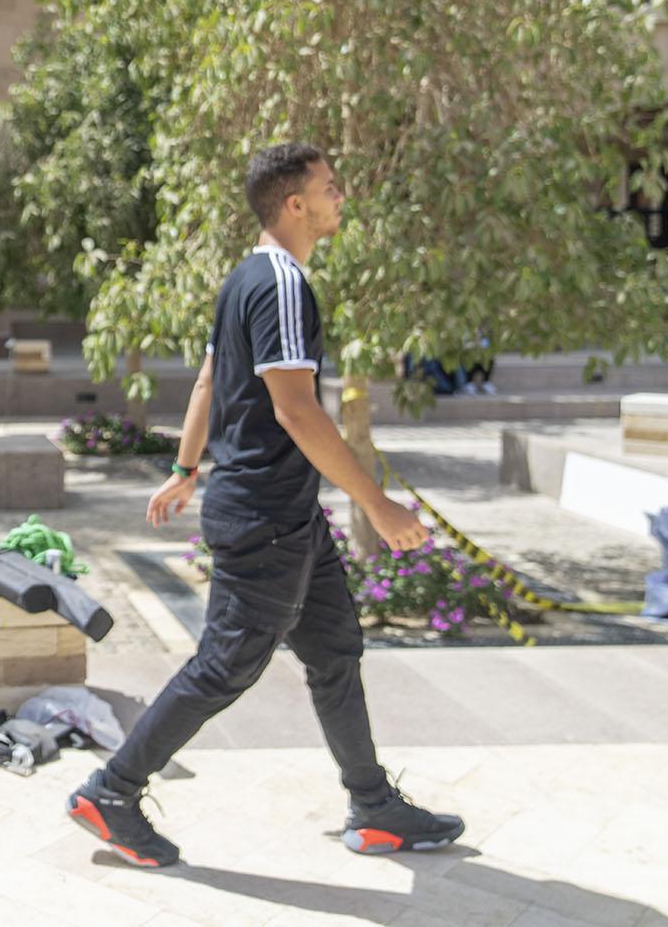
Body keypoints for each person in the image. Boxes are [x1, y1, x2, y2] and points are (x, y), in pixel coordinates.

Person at [69, 143, 464, 867]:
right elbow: (296, 409)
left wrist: (186, 466)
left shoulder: (244, 278)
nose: (340, 198)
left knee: (336, 648)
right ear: (294, 204)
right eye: (329, 188)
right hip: (267, 518)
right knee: (225, 666)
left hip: (289, 517)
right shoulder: (281, 281)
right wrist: (375, 502)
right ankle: (112, 790)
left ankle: (374, 806)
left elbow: (207, 381)